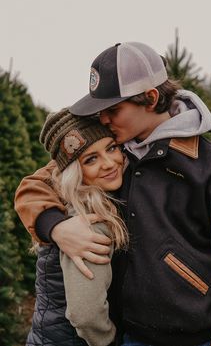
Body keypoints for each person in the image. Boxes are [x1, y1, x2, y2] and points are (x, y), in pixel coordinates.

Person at [15, 42, 211, 346]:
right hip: (128, 335)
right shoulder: (114, 150)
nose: (103, 119)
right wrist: (56, 226)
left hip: (197, 339)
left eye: (113, 110)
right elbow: (34, 185)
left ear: (151, 98)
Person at [23, 108, 128, 346]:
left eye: (111, 148)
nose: (109, 163)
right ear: (75, 172)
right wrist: (110, 341)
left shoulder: (71, 202)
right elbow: (86, 314)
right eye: (91, 159)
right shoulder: (90, 223)